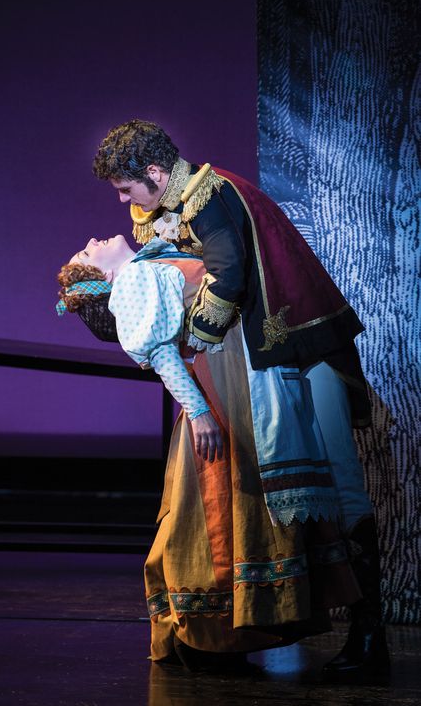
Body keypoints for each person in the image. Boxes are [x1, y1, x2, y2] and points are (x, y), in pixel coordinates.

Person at [85, 119, 390, 682]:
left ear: (155, 173)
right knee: (304, 488)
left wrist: (186, 350)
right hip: (264, 359)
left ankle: (370, 632)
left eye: (127, 188)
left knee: (338, 488)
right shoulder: (172, 208)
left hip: (299, 345)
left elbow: (228, 278)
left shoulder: (210, 193)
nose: (124, 202)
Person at [56, 233, 363, 674]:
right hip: (223, 389)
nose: (90, 239)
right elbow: (162, 354)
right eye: (87, 252)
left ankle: (238, 621)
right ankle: (213, 626)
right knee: (225, 501)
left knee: (241, 498)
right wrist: (199, 412)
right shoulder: (132, 280)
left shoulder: (149, 263)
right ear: (106, 276)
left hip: (238, 376)